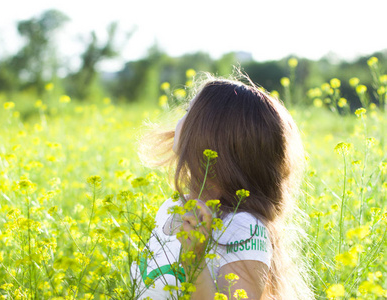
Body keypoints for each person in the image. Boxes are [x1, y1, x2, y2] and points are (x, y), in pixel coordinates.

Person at [132, 74, 313, 300]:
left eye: (189, 112)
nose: (180, 121)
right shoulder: (172, 207)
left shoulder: (243, 227)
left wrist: (194, 259)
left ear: (211, 132)